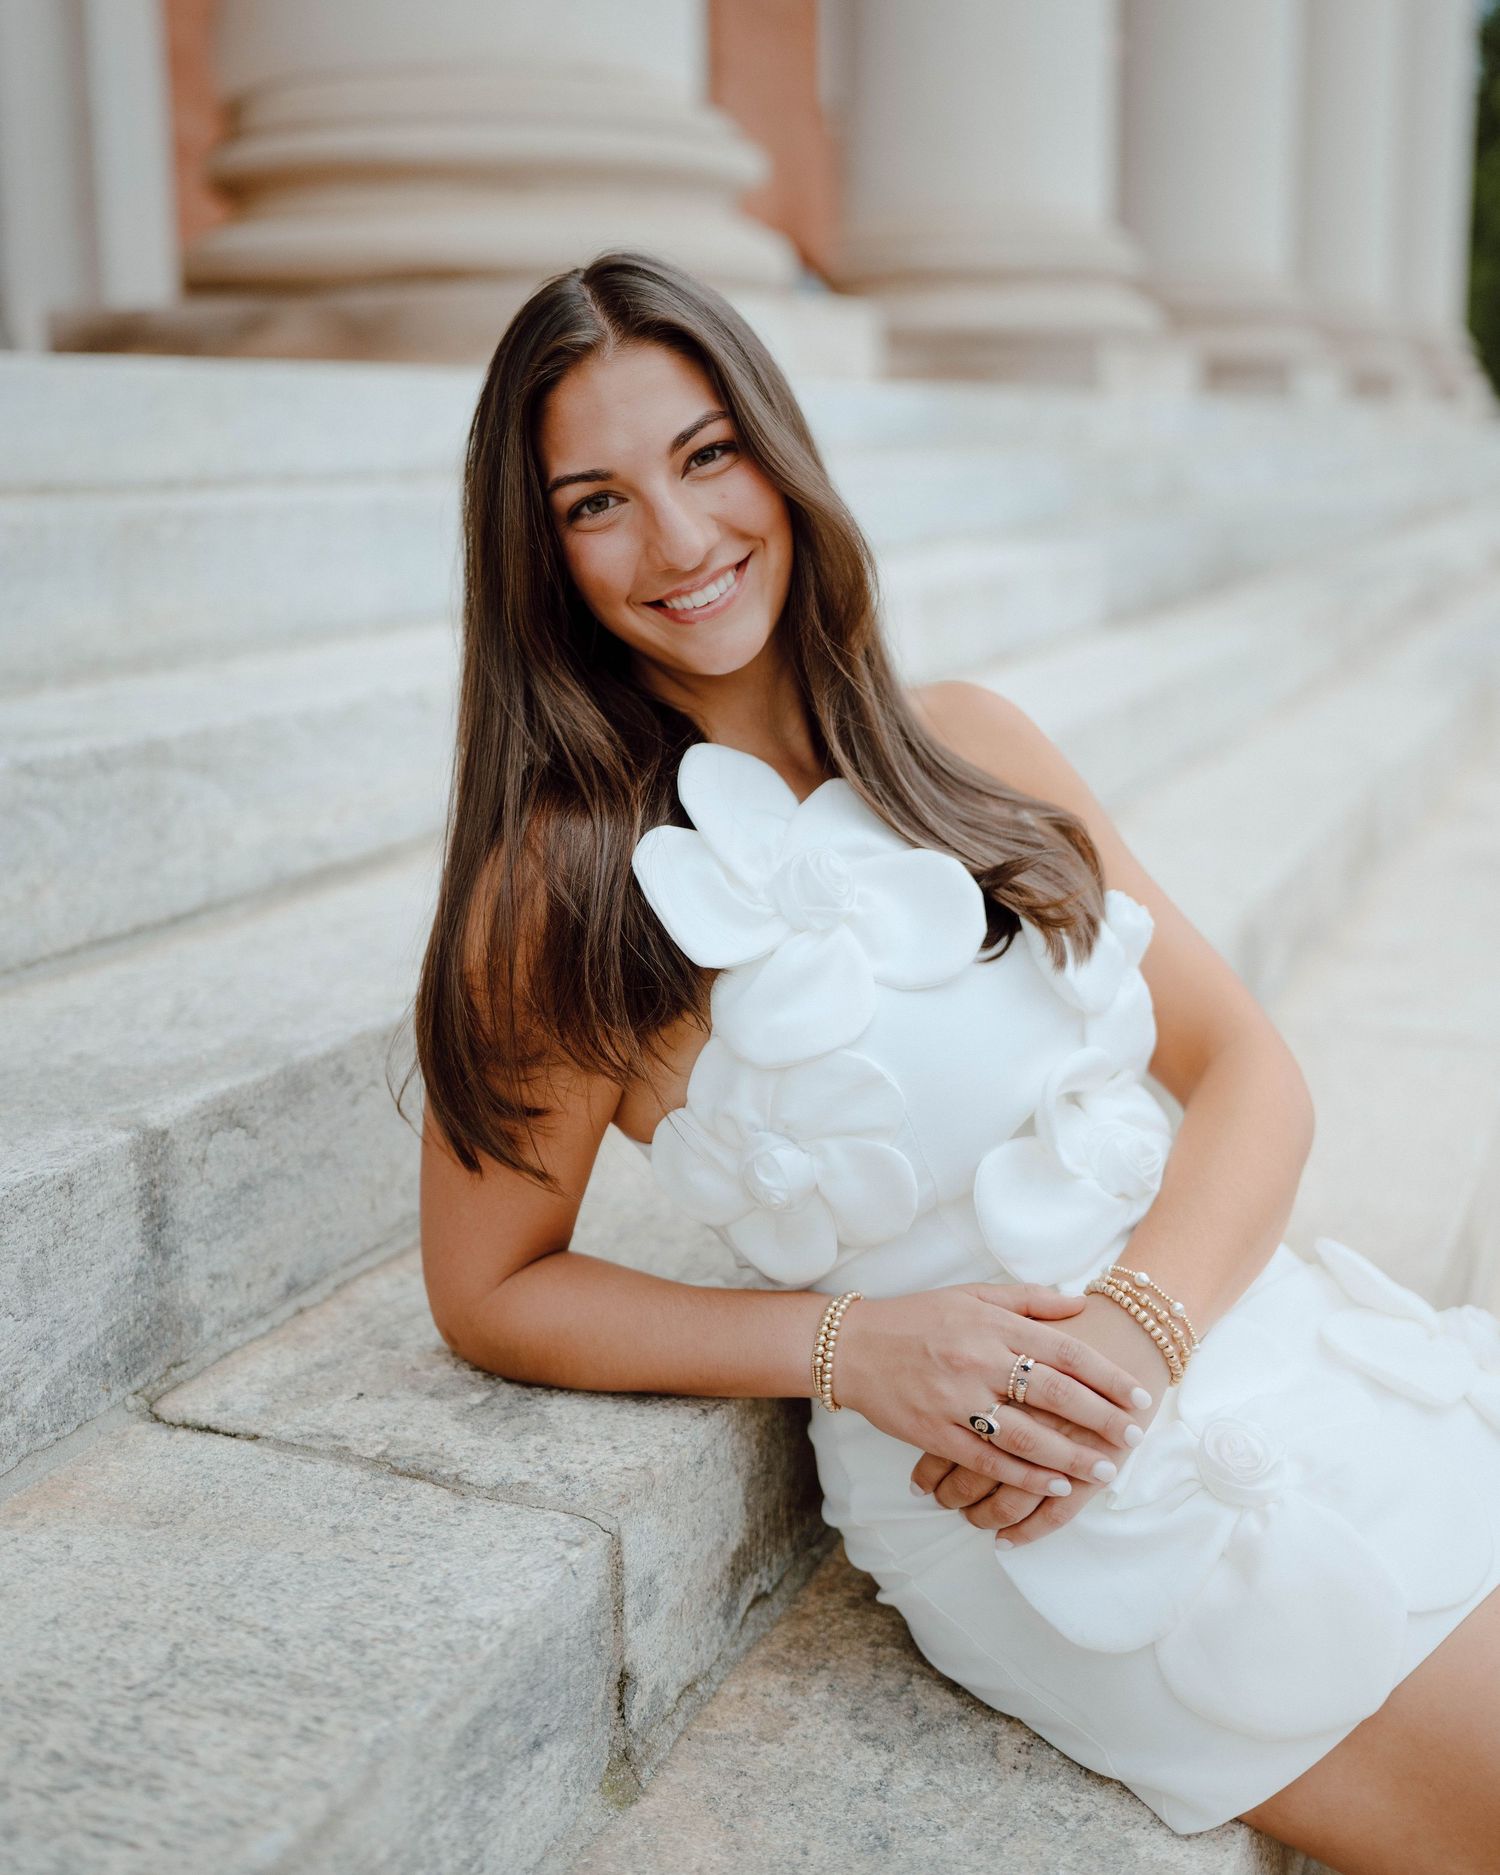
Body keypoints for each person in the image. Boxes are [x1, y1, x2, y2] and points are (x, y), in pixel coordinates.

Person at [409, 249, 1500, 1875]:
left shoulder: (971, 741)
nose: (682, 539)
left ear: (776, 453)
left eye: (707, 456)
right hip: (1037, 1496)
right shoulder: (559, 891)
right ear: (541, 553)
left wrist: (1143, 1328)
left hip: (1236, 1328)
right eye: (596, 502)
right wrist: (844, 1349)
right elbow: (489, 1285)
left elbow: (1249, 1069)